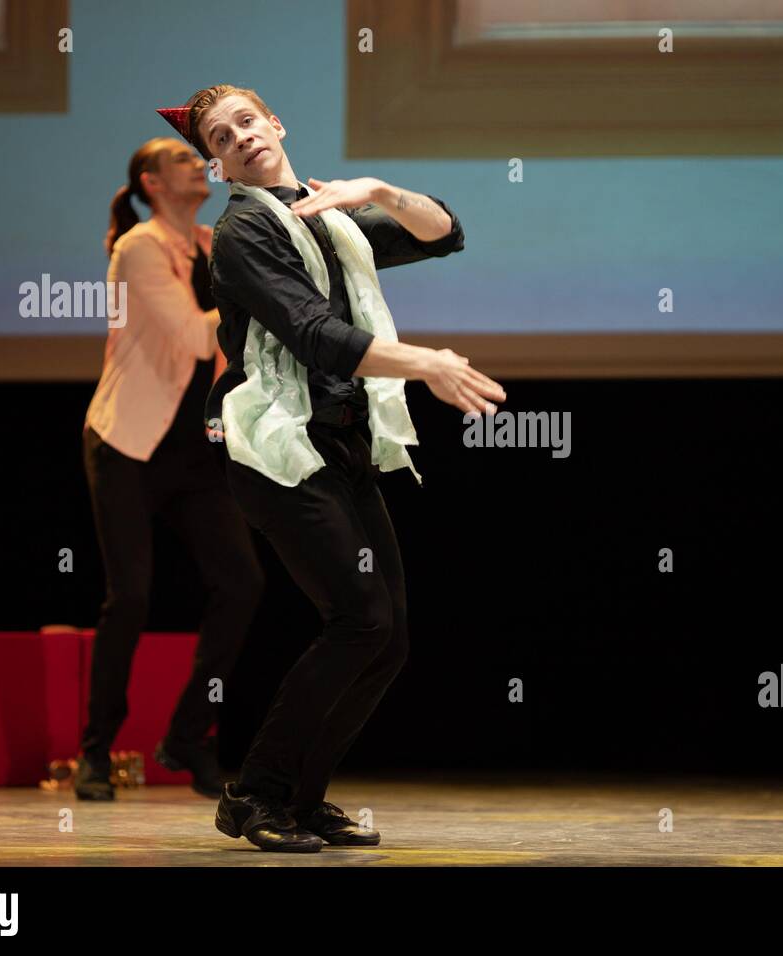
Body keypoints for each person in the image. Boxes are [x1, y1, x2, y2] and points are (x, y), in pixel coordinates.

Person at [154, 85, 506, 851]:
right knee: (360, 620)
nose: (240, 137)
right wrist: (426, 362)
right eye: (222, 136)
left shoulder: (326, 214)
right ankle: (255, 796)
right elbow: (315, 336)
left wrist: (379, 189)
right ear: (217, 162)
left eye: (247, 121)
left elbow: (444, 232)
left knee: (389, 636)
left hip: (340, 441)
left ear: (275, 122)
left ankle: (298, 797)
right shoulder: (245, 231)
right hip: (277, 448)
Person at [78, 137, 265, 801]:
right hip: (127, 440)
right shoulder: (138, 248)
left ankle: (188, 735)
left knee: (241, 584)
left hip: (193, 449)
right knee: (129, 595)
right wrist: (256, 305)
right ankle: (97, 753)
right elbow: (193, 335)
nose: (198, 164)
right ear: (152, 183)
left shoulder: (214, 244)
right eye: (183, 160)